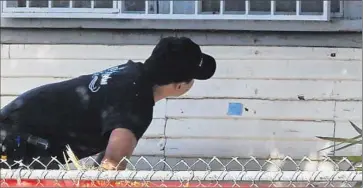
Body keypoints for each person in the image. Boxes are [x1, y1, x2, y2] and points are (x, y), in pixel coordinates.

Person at [0, 36, 216, 170]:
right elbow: (111, 167)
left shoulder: (128, 73)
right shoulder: (136, 105)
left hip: (14, 130)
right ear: (179, 86)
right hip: (20, 144)